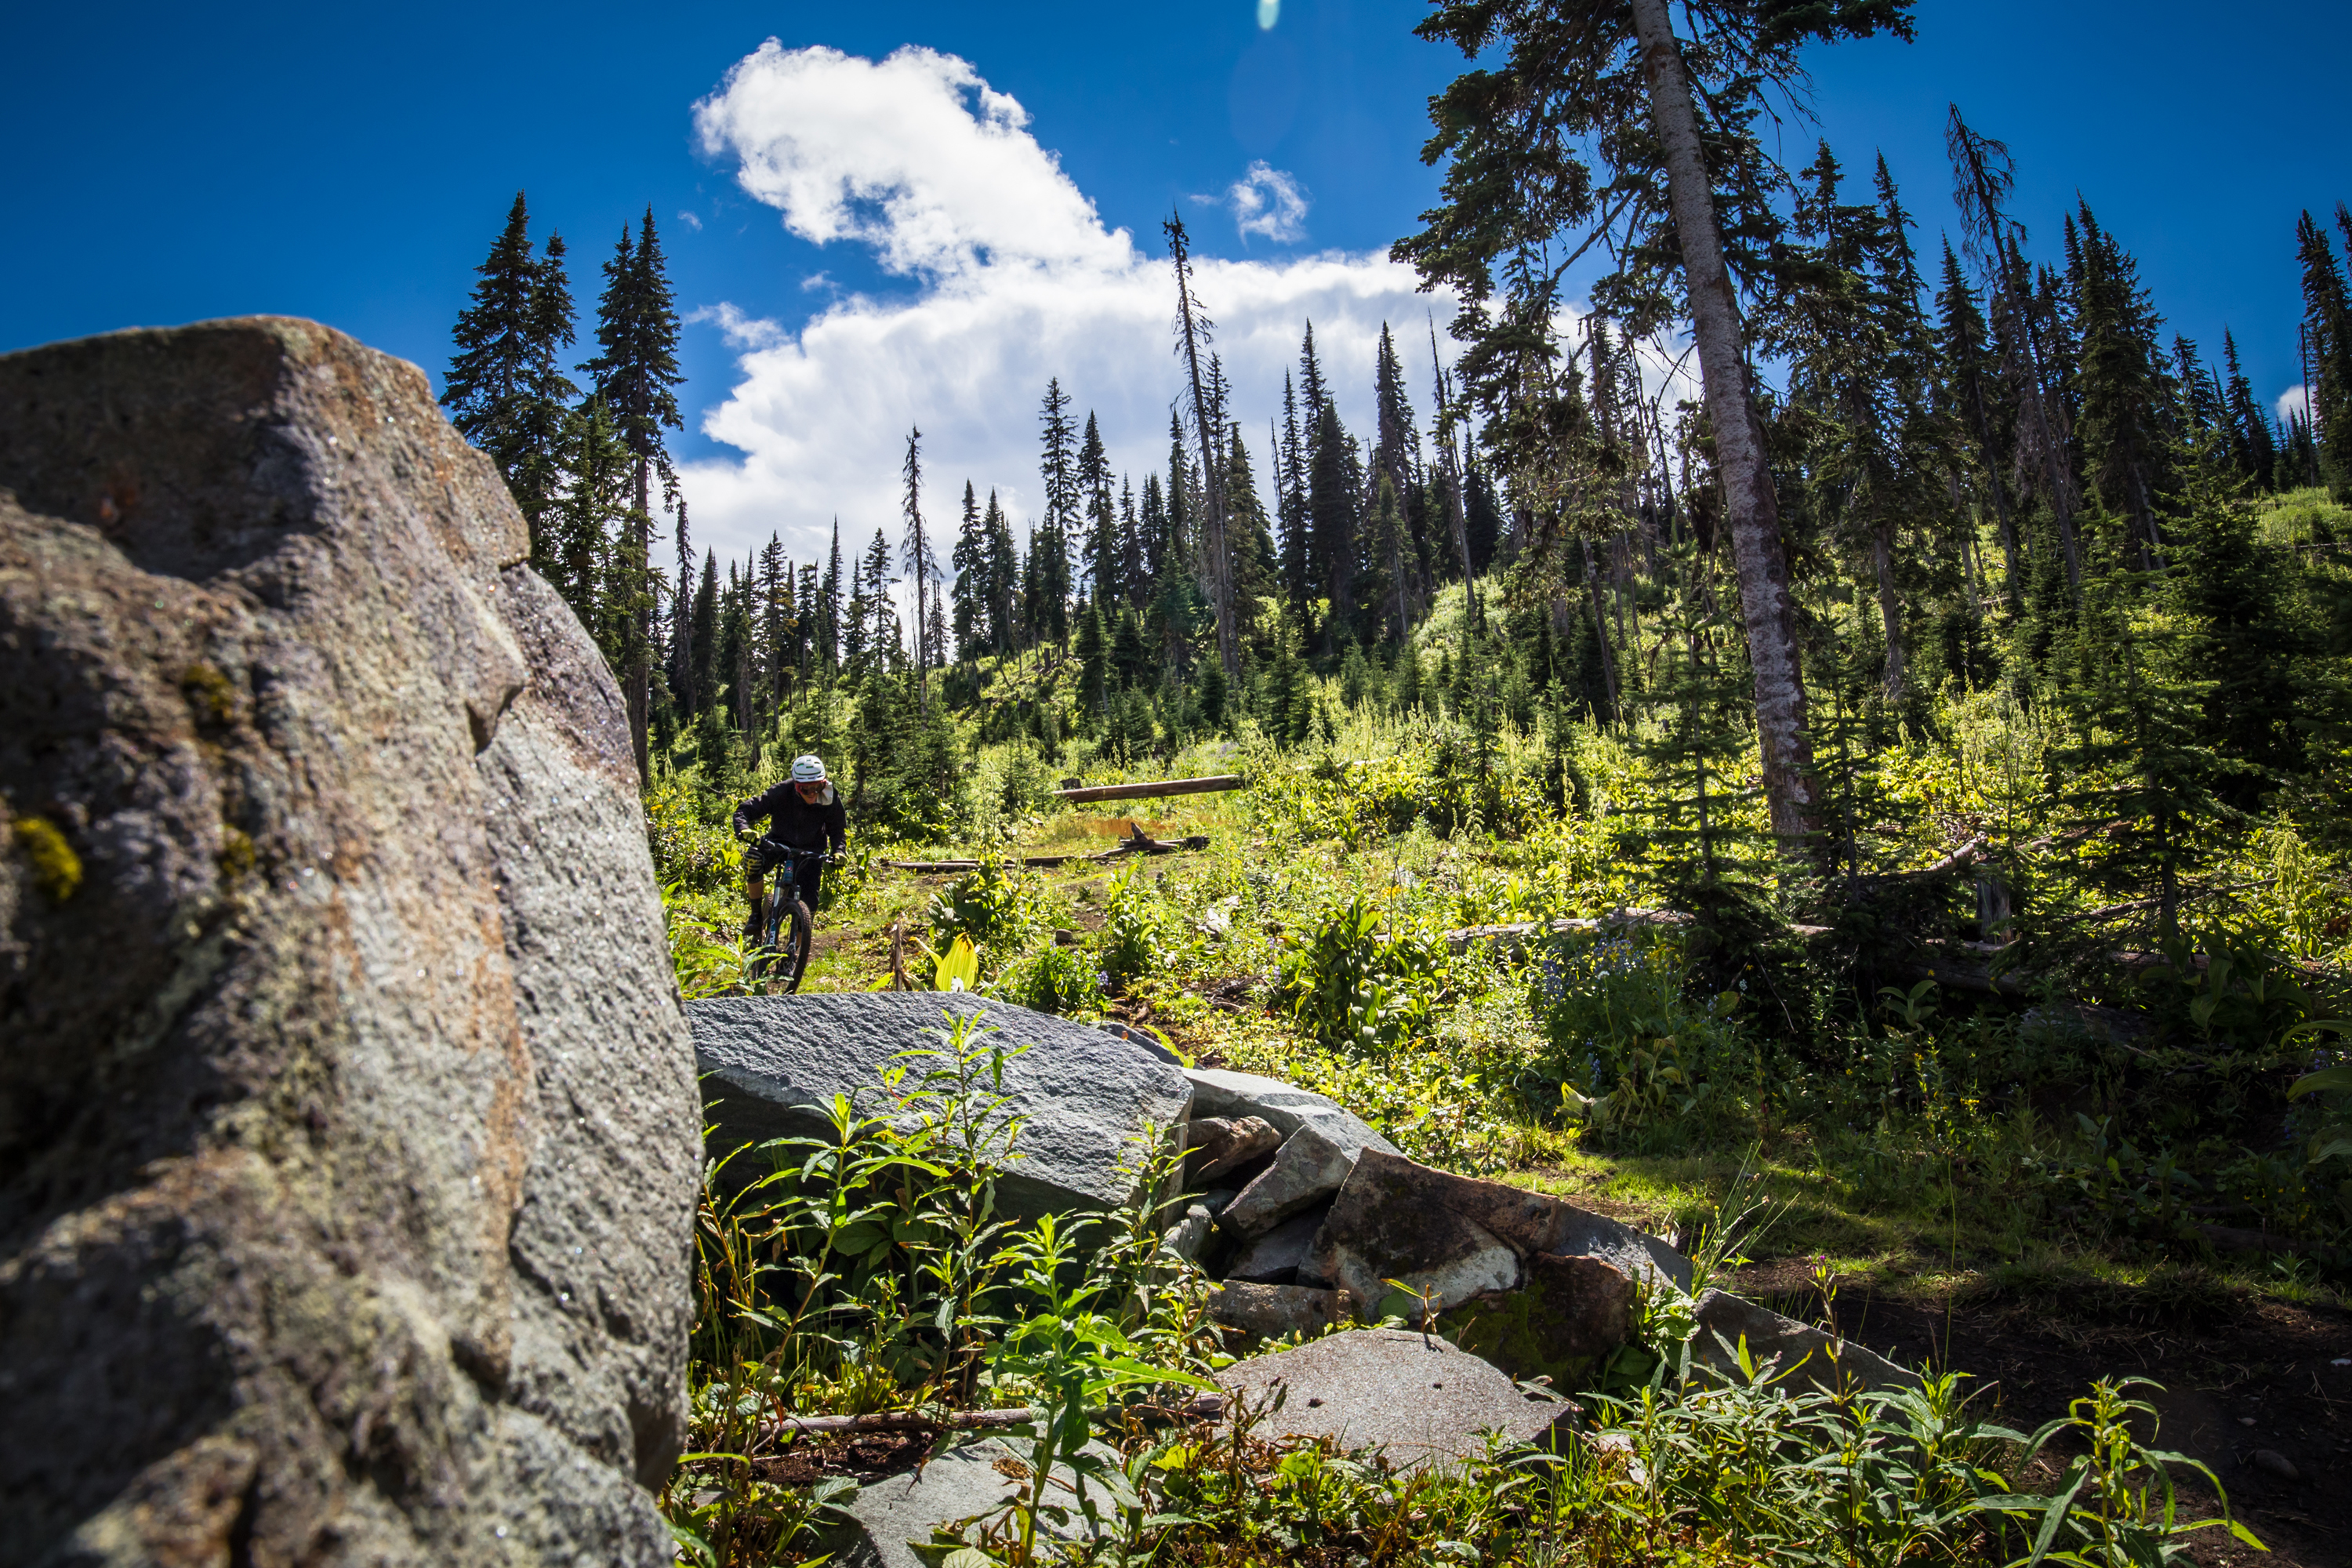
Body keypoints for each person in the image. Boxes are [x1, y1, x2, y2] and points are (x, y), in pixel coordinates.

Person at [733, 754, 848, 945]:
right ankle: (755, 916)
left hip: (812, 851)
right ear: (796, 785)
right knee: (753, 858)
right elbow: (745, 810)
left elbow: (837, 828)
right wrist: (744, 828)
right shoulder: (781, 792)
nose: (812, 793)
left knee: (809, 905)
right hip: (778, 843)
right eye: (805, 789)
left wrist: (839, 851)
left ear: (823, 783)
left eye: (817, 787)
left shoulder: (830, 796)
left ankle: (794, 955)